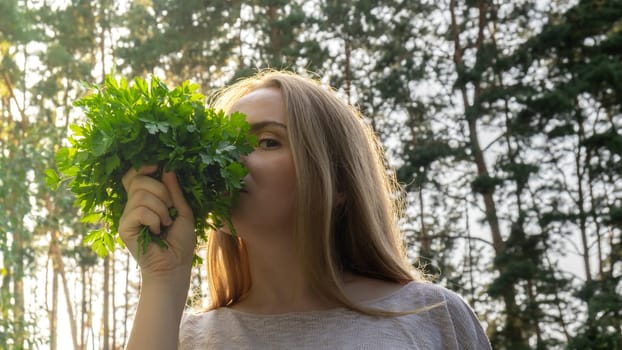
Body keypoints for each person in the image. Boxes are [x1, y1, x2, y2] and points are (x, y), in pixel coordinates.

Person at [118, 70, 492, 349]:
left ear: (341, 183)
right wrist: (164, 279)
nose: (230, 158)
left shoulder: (430, 315)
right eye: (224, 143)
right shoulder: (182, 337)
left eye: (267, 141)